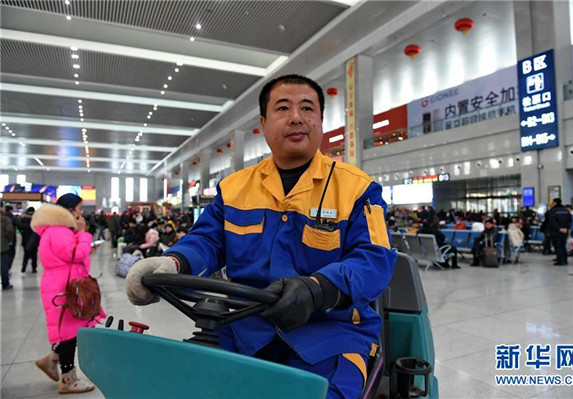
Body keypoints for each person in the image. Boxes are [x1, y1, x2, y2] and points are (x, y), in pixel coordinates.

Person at [125, 74, 396, 399]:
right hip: (243, 329)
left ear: (321, 122)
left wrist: (317, 289)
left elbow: (375, 260)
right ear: (264, 124)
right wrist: (171, 263)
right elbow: (207, 241)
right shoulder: (234, 188)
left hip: (331, 334)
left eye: (307, 108)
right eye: (283, 108)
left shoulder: (358, 189)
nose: (297, 117)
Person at [31, 193, 104, 394]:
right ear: (70, 210)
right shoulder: (59, 231)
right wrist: (83, 234)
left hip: (63, 283)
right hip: (64, 287)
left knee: (68, 330)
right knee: (69, 334)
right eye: (80, 209)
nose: (82, 213)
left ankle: (51, 360)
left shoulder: (55, 230)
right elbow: (74, 254)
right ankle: (68, 379)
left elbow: (70, 254)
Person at [546, 198, 572, 266]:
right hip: (565, 231)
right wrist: (566, 228)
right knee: (563, 246)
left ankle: (560, 260)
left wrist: (559, 228)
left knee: (558, 246)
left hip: (555, 231)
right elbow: (570, 220)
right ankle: (565, 260)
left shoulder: (553, 211)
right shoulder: (566, 210)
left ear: (555, 203)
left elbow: (552, 221)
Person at [18, 207, 39, 273]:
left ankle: (24, 267)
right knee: (34, 255)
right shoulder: (36, 219)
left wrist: (22, 233)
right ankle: (34, 268)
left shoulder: (23, 218)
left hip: (25, 239)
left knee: (26, 254)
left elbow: (20, 227)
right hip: (34, 239)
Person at [1, 205, 15, 290]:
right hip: (3, 246)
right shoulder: (5, 219)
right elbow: (10, 231)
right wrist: (9, 241)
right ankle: (5, 284)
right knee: (3, 266)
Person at [4, 205, 17, 270]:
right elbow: (19, 225)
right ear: (11, 210)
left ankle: (4, 267)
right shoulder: (12, 217)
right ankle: (7, 267)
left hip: (3, 240)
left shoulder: (2, 217)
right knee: (11, 253)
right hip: (11, 239)